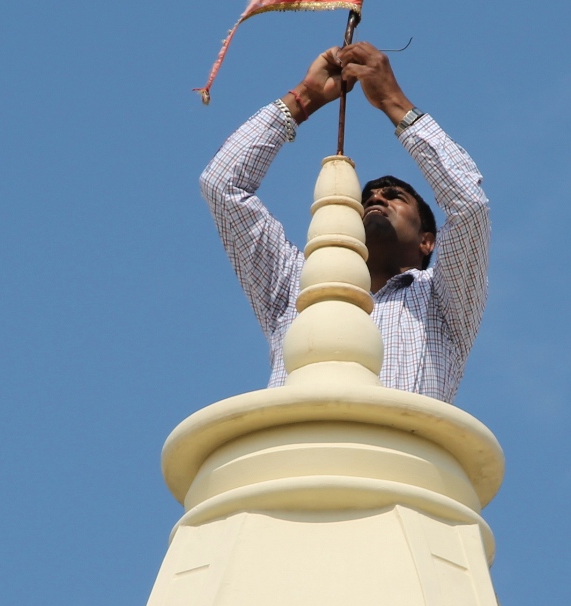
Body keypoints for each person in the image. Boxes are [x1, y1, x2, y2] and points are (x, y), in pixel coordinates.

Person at [200, 42, 490, 403]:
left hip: (393, 442)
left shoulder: (443, 301)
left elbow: (469, 207)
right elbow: (222, 185)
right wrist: (304, 98)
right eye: (365, 200)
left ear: (427, 241)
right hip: (302, 441)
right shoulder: (299, 286)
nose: (376, 199)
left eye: (394, 197)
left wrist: (394, 101)